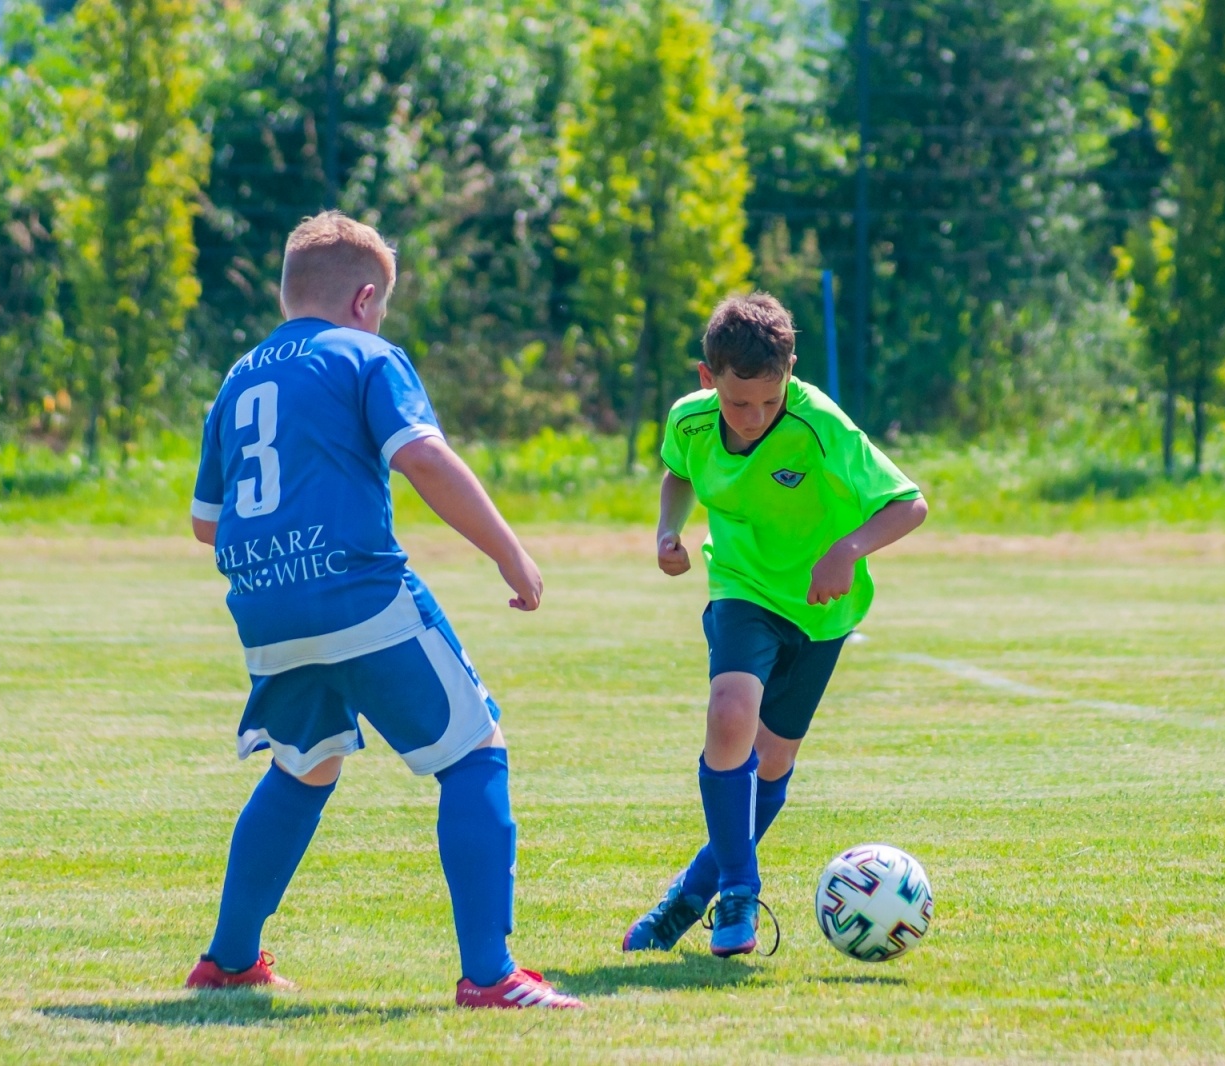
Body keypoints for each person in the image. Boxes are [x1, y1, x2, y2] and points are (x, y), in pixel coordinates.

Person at [184, 211, 580, 1009]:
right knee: (475, 752)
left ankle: (227, 960)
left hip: (264, 610)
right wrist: (510, 551)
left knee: (303, 766)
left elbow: (205, 521)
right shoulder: (367, 355)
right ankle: (491, 975)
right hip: (356, 591)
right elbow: (423, 456)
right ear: (366, 299)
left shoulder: (238, 378)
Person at [624, 292, 928, 957]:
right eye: (740, 403)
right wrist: (667, 532)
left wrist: (847, 550)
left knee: (774, 762)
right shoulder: (691, 421)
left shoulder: (818, 423)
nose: (757, 416)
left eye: (771, 399)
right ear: (709, 379)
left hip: (822, 611)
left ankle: (688, 896)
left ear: (789, 374)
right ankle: (739, 889)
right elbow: (678, 473)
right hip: (742, 588)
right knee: (730, 715)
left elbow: (909, 504)